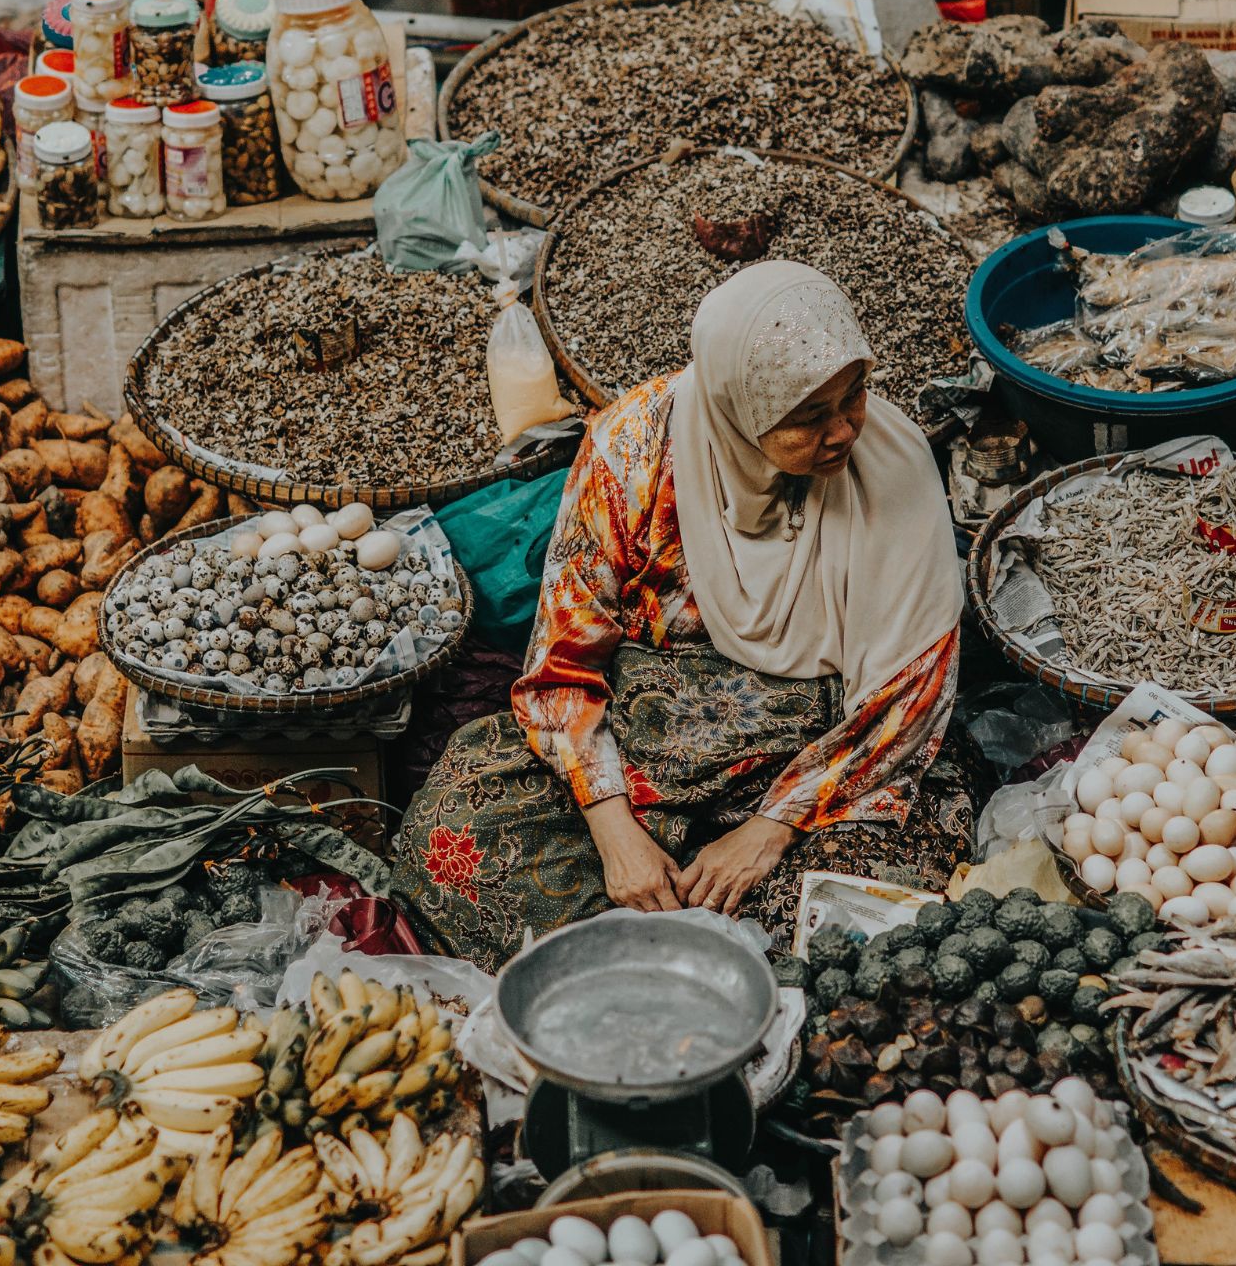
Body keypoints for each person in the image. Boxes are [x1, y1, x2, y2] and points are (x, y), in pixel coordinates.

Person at [392, 261, 983, 969]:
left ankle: (689, 963)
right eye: (808, 416)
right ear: (743, 410)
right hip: (649, 731)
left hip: (818, 743)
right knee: (457, 830)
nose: (845, 430)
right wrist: (614, 830)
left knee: (862, 913)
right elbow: (561, 660)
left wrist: (773, 826)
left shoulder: (892, 463)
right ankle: (648, 957)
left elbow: (913, 687)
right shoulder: (634, 453)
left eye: (853, 394)